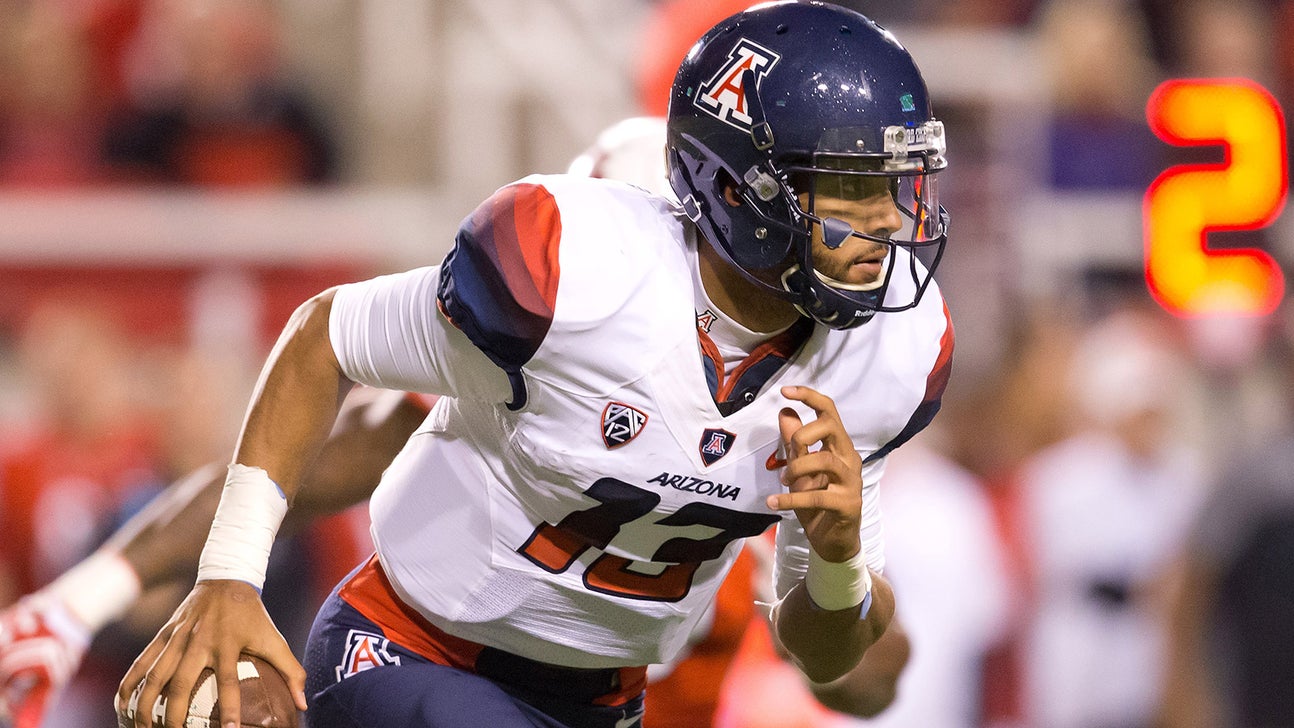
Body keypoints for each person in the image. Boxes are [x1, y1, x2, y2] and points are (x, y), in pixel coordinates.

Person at [119, 3, 953, 727]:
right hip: (413, 649)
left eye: (896, 184)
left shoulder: (888, 352)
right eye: (852, 186)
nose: (888, 221)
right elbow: (327, 335)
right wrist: (230, 573)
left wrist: (838, 561)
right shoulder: (577, 277)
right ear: (740, 190)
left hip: (603, 699)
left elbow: (822, 654)